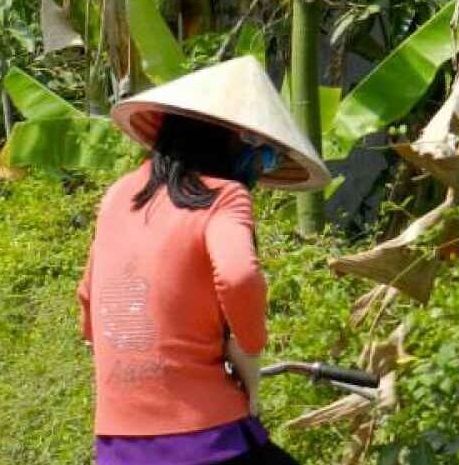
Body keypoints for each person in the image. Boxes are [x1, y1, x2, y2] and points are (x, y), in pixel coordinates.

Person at [79, 56, 332, 465]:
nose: (260, 168)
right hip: (205, 438)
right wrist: (249, 356)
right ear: (230, 141)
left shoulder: (115, 197)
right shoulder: (224, 197)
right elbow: (237, 276)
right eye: (263, 155)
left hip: (116, 444)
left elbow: (89, 306)